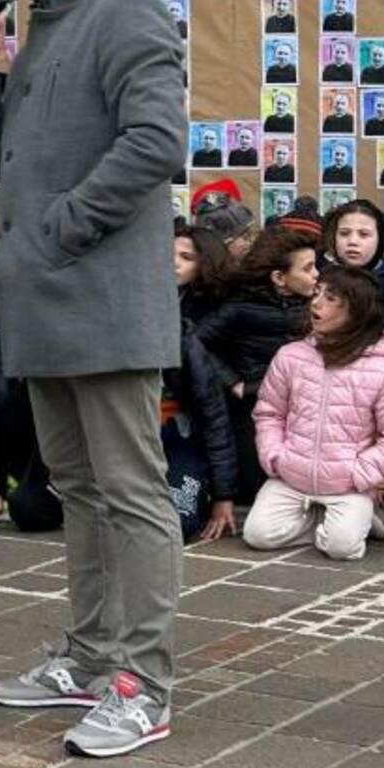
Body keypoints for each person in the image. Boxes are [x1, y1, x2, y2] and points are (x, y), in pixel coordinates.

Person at [0, 0, 186, 756]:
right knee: (77, 488)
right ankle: (90, 657)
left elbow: (157, 144)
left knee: (132, 494)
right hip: (46, 298)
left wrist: (61, 226)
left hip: (105, 297)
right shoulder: (42, 25)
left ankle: (144, 684)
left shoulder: (127, 16)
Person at [244, 267, 384, 561]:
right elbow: (269, 413)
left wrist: (360, 473)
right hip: (292, 475)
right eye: (317, 293)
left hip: (347, 484)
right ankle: (325, 520)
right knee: (258, 535)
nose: (316, 303)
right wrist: (275, 455)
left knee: (342, 548)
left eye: (331, 298)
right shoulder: (291, 356)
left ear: (358, 311)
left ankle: (357, 518)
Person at [195, 227, 320, 501]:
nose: (316, 275)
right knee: (260, 491)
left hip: (306, 409)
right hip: (253, 411)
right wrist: (232, 382)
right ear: (279, 278)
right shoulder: (239, 308)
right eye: (308, 268)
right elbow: (194, 341)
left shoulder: (318, 305)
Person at [169, 226, 239, 542]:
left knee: (179, 523)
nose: (173, 263)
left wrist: (224, 495)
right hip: (133, 432)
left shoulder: (213, 315)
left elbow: (214, 414)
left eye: (186, 257)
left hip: (182, 431)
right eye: (167, 254)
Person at [324, 200, 384, 321]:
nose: (352, 241)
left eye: (364, 234)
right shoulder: (315, 277)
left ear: (380, 240)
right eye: (344, 233)